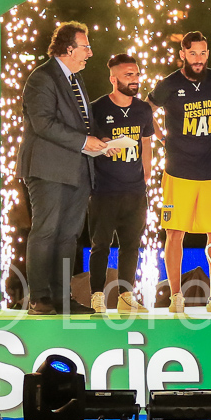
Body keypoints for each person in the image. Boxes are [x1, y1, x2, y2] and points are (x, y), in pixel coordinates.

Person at [18, 21, 105, 315]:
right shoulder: (42, 78)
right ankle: (39, 297)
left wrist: (99, 141)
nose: (90, 53)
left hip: (78, 168)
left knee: (68, 235)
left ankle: (62, 297)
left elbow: (80, 123)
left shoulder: (75, 79)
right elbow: (43, 123)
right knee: (46, 231)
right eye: (86, 47)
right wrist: (84, 141)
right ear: (68, 49)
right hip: (48, 168)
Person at [148, 31, 211, 313]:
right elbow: (146, 108)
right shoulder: (169, 84)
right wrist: (161, 137)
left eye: (203, 53)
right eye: (192, 53)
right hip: (178, 171)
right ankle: (176, 296)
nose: (198, 59)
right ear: (182, 54)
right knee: (174, 235)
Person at [88, 54, 154, 315]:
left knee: (131, 245)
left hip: (135, 190)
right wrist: (103, 144)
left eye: (136, 74)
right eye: (128, 75)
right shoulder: (97, 108)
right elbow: (87, 141)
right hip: (104, 189)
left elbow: (146, 142)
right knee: (100, 245)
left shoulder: (143, 109)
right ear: (113, 79)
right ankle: (96, 295)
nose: (135, 79)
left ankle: (126, 296)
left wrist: (146, 175)